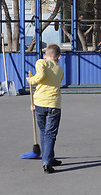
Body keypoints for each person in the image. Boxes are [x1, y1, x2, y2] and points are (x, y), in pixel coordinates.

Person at [26, 44, 64, 174]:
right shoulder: (60, 69)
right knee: (50, 134)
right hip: (54, 104)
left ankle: (49, 158)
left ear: (45, 55)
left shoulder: (41, 62)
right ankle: (47, 161)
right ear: (59, 57)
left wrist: (31, 80)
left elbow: (40, 76)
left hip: (40, 103)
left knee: (44, 132)